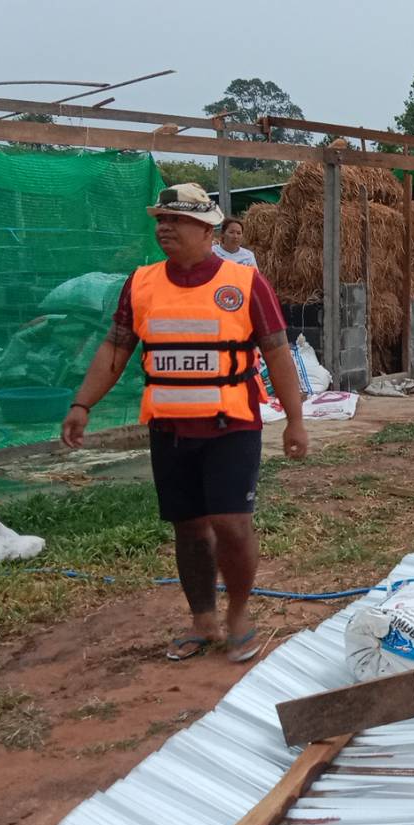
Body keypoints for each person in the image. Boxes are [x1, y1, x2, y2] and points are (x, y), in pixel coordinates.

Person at [61, 184, 310, 663]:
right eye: (160, 220)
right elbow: (116, 348)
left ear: (207, 228)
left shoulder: (244, 282)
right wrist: (82, 404)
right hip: (170, 431)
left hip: (232, 426)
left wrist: (295, 420)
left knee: (232, 525)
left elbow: (277, 351)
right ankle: (203, 620)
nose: (163, 228)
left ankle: (238, 613)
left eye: (174, 220)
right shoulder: (141, 283)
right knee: (190, 529)